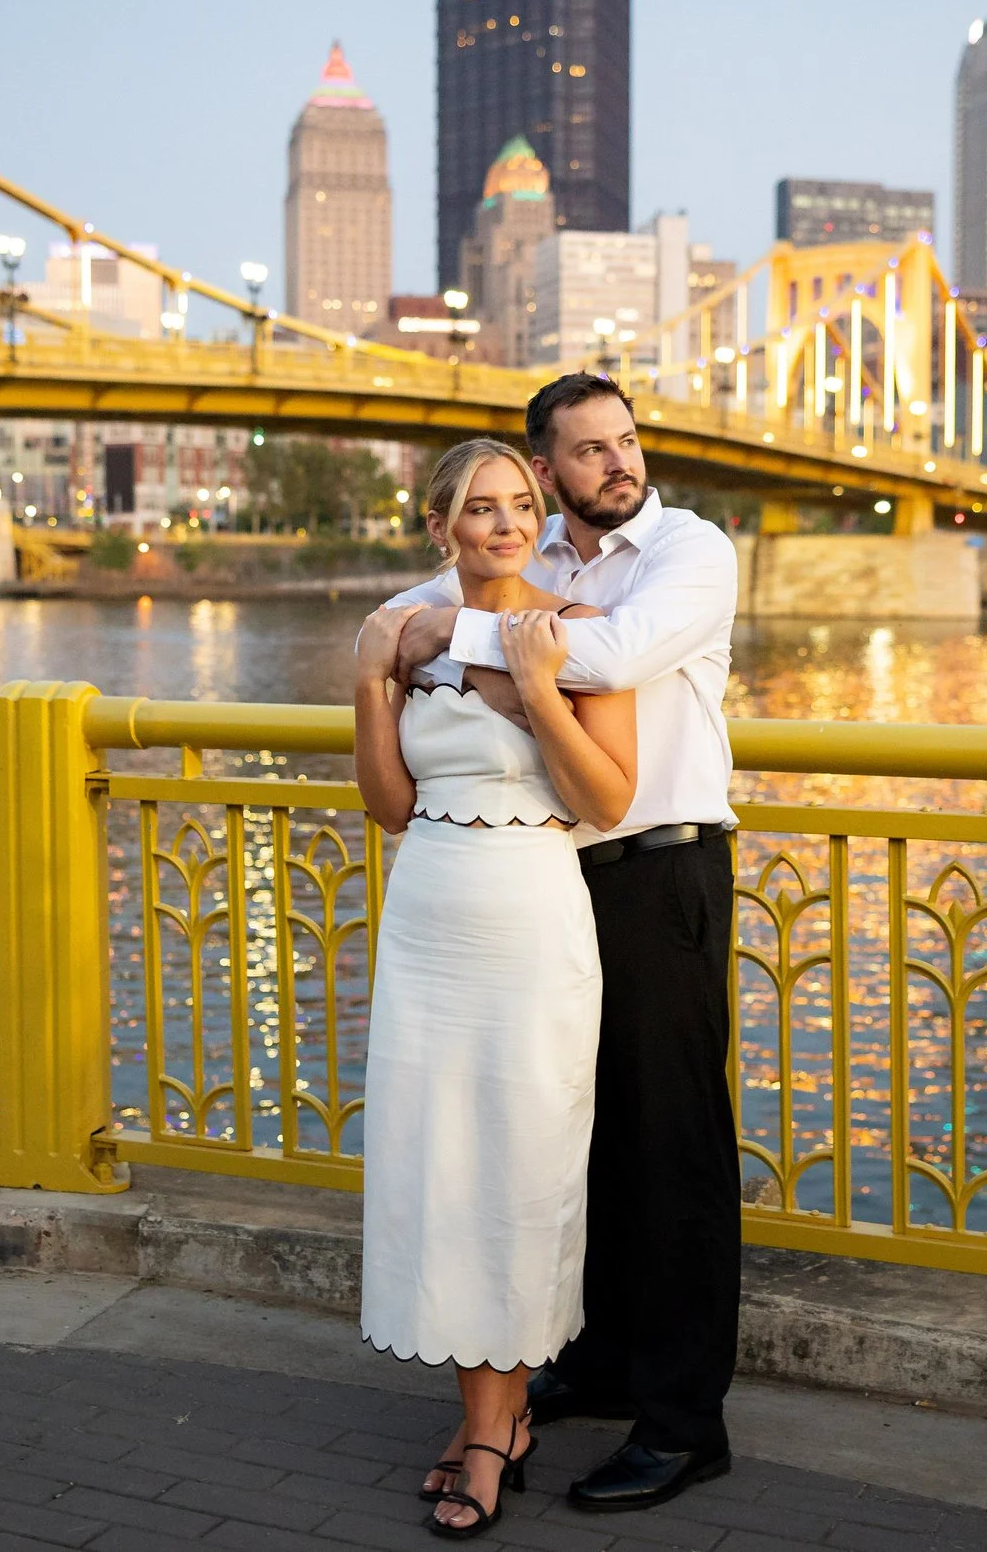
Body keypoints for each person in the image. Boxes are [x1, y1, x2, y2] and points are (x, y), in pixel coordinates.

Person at [381, 373, 742, 1513]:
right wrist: (438, 630)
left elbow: (611, 659)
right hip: (549, 874)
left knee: (671, 1141)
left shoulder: (689, 548)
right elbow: (449, 638)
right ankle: (605, 1358)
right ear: (546, 472)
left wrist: (453, 633)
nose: (616, 462)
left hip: (660, 866)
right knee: (581, 1140)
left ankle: (685, 1423)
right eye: (587, 450)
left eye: (626, 440)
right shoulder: (539, 563)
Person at [353, 438, 639, 1540]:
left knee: (519, 1167)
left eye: (522, 502)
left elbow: (606, 797)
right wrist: (368, 683)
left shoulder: (579, 632)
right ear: (441, 526)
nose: (509, 522)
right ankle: (492, 1420)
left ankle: (492, 1428)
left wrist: (534, 687)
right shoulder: (399, 625)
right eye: (481, 508)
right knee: (444, 1165)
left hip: (530, 920)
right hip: (427, 913)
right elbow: (387, 801)